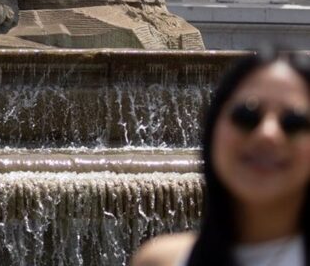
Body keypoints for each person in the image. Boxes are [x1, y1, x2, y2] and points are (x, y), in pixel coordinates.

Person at [131, 50, 310, 266]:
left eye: (293, 122)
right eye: (247, 115)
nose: (267, 133)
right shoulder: (159, 260)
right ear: (213, 128)